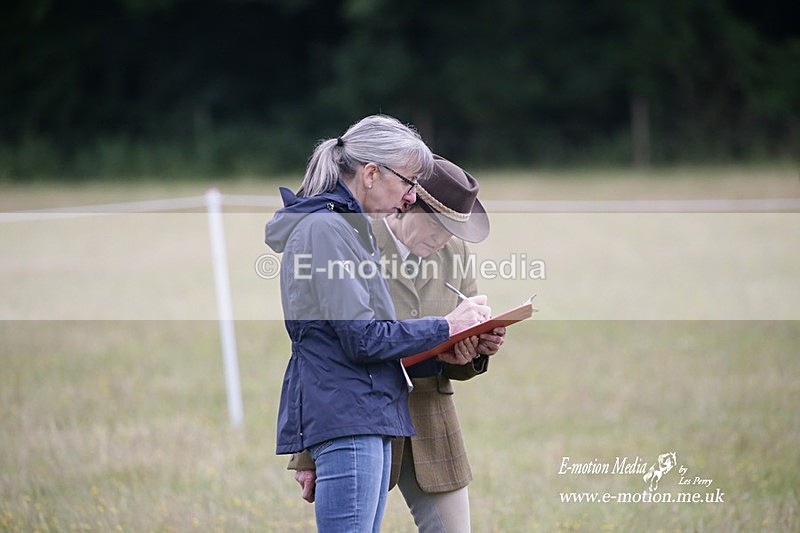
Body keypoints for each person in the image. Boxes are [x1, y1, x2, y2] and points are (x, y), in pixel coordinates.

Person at [264, 115, 491, 533]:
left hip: (375, 413)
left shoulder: (341, 227)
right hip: (353, 415)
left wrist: (467, 342)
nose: (408, 197)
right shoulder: (330, 229)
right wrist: (446, 326)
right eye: (407, 183)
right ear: (371, 173)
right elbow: (360, 339)